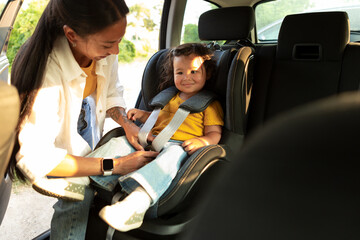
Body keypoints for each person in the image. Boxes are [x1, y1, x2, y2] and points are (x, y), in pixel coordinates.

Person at [8, 0, 158, 239]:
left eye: (119, 40)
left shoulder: (103, 51)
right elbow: (36, 156)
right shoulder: (46, 73)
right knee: (78, 195)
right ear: (71, 34)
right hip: (47, 143)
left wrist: (127, 124)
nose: (116, 51)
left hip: (82, 114)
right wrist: (115, 165)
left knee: (90, 187)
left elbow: (111, 93)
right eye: (109, 43)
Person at [97, 43, 224, 232]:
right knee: (119, 141)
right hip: (150, 142)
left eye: (194, 71)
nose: (186, 77)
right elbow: (159, 118)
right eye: (179, 73)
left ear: (208, 73)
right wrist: (142, 115)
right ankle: (83, 176)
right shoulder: (170, 98)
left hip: (180, 147)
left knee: (171, 156)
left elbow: (215, 133)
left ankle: (136, 204)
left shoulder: (209, 105)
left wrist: (203, 141)